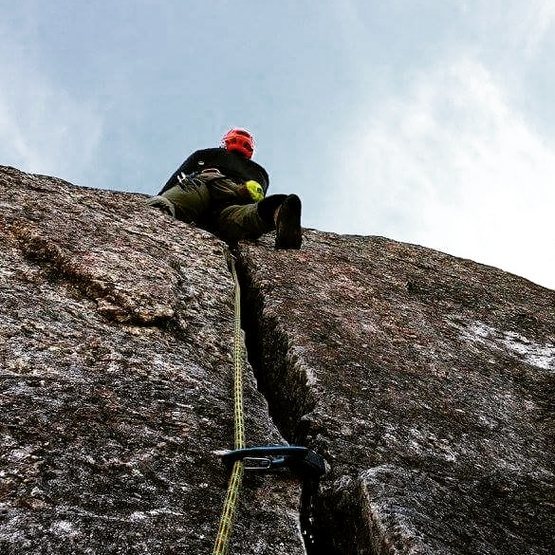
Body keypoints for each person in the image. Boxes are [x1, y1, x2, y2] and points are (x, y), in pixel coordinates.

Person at [147, 128, 302, 249]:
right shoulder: (259, 172)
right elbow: (258, 195)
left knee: (180, 199)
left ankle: (160, 210)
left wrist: (163, 194)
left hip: (206, 183)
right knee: (246, 217)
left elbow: (181, 175)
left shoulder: (208, 154)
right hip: (235, 198)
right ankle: (278, 211)